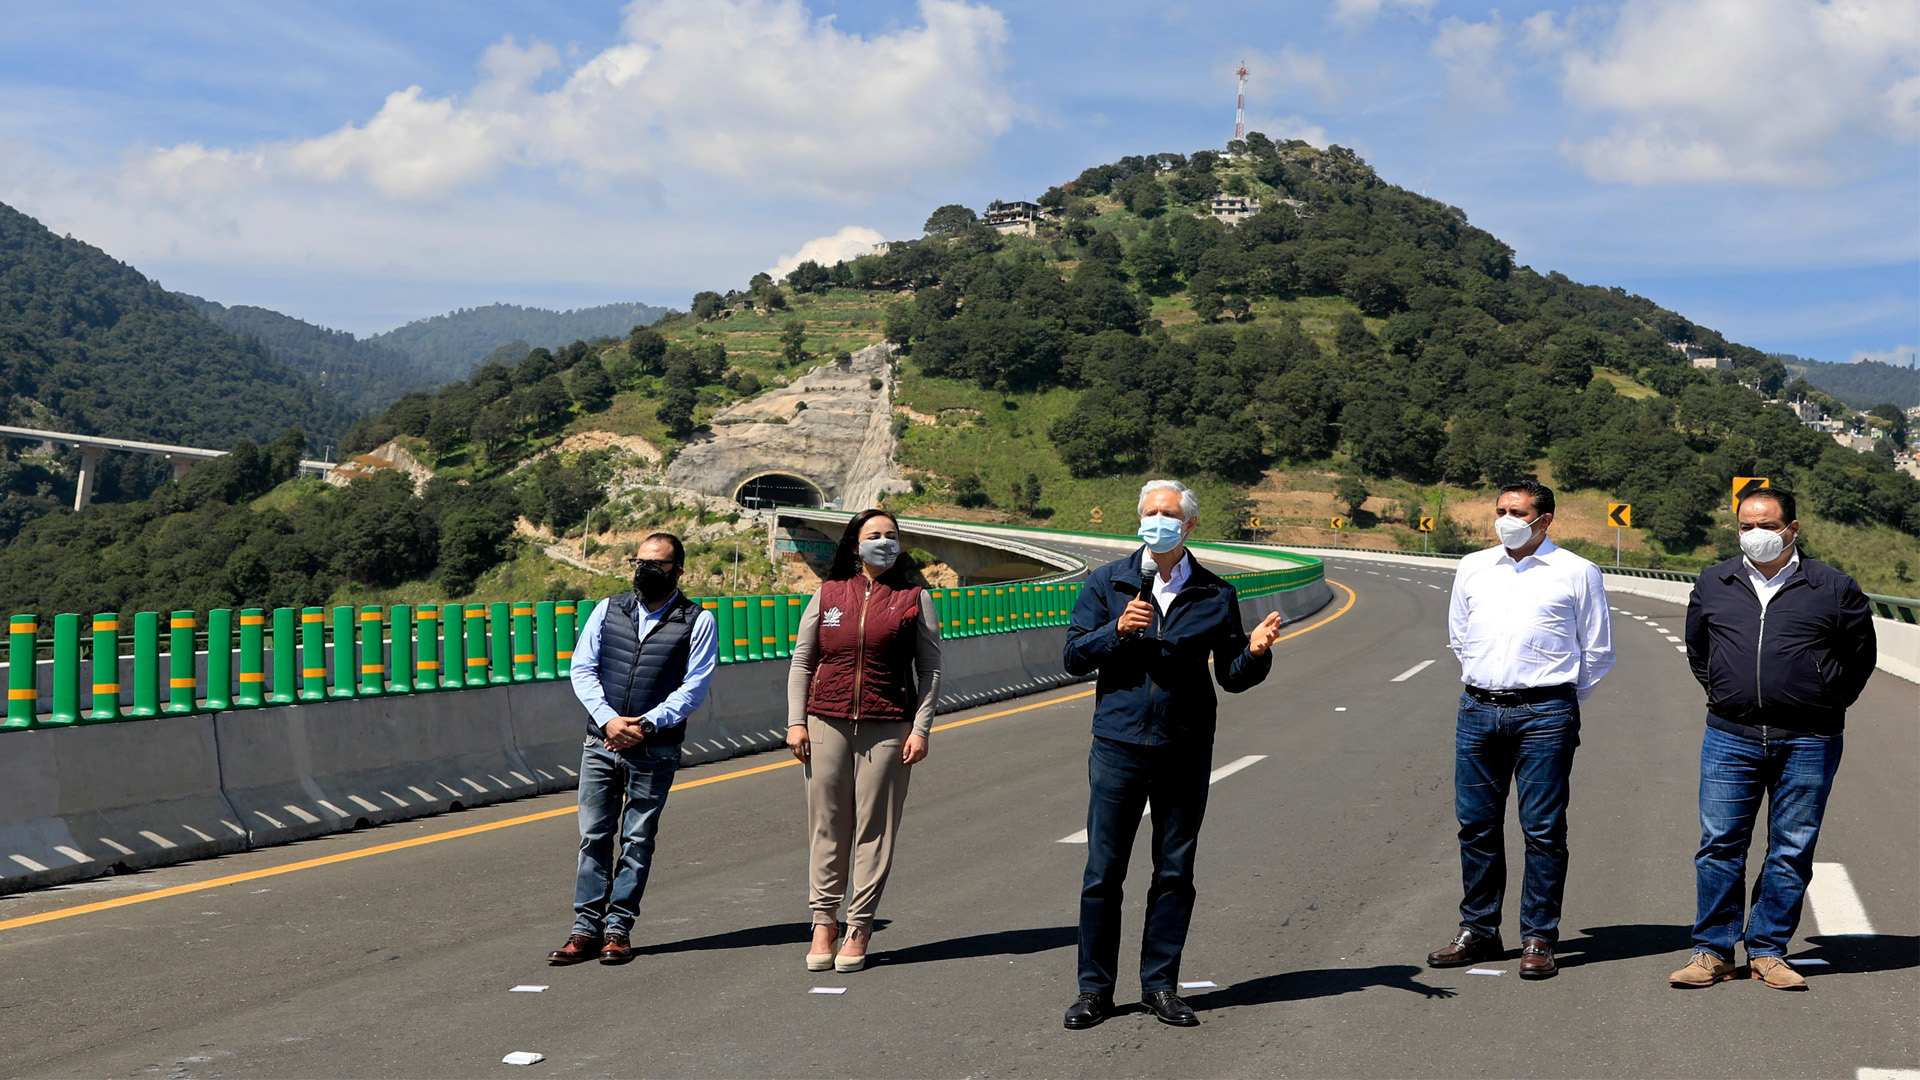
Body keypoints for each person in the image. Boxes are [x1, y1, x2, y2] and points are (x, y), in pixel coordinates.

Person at [1060, 480, 1284, 1030]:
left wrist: (1254, 653)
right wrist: (1115, 630)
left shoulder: (1215, 594)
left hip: (1184, 747)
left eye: (1168, 514)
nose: (1157, 520)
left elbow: (1230, 677)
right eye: (1150, 512)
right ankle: (1094, 990)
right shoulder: (1108, 582)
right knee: (1103, 871)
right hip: (1118, 744)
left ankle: (1160, 985)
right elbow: (1071, 656)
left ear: (1188, 526)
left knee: (1175, 870)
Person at [1670, 488, 1876, 991]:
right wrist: (1726, 691)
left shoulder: (1832, 586)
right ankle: (1712, 951)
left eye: (1766, 525)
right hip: (1730, 736)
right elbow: (1700, 650)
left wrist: (1825, 701)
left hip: (1809, 738)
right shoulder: (1715, 581)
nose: (1755, 534)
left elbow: (1860, 656)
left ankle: (1767, 950)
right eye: (1745, 526)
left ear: (1793, 529)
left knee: (1791, 847)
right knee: (1719, 845)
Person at [1429, 480, 1613, 980]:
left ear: (1545, 520)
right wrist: (1493, 683)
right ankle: (1479, 931)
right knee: (1477, 826)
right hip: (1478, 710)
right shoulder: (1472, 567)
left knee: (1544, 830)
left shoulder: (1577, 572)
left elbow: (1596, 653)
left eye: (1517, 511)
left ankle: (1538, 936)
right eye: (1501, 510)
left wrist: (1556, 703)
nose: (1505, 519)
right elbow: (1458, 637)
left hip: (1546, 715)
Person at [547, 533, 717, 966]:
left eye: (656, 564)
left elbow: (692, 689)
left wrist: (643, 725)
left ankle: (618, 930)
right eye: (639, 561)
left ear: (678, 570)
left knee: (637, 839)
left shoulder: (698, 621)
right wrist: (608, 720)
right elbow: (582, 669)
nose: (645, 570)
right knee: (593, 838)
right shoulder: (607, 609)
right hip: (599, 741)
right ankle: (584, 931)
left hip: (654, 748)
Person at [785, 509, 942, 974]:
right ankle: (823, 922)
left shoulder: (915, 597)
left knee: (876, 829)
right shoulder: (829, 593)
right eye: (874, 535)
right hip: (825, 721)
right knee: (828, 824)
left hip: (889, 724)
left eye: (891, 536)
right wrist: (797, 722)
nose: (884, 542)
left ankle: (860, 926)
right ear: (855, 545)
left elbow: (930, 669)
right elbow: (802, 660)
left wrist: (920, 728)